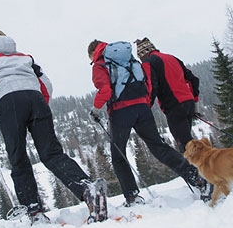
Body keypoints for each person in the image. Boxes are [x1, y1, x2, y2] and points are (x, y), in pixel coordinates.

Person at [0, 29, 107, 224]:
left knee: (19, 158)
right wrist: (42, 105)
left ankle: (34, 211)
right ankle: (87, 189)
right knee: (52, 153)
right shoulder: (24, 57)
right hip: (36, 99)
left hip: (9, 102)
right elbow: (46, 84)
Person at [87, 40, 213, 206]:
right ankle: (198, 179)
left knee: (118, 155)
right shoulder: (129, 58)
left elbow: (105, 90)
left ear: (92, 53)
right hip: (142, 108)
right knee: (159, 147)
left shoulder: (100, 65)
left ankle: (133, 197)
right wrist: (143, 103)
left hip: (121, 112)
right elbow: (146, 81)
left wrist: (95, 110)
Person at [134, 37, 200, 153]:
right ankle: (203, 167)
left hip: (174, 107)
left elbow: (152, 87)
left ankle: (196, 170)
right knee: (190, 144)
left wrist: (145, 107)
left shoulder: (148, 63)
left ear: (143, 55)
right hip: (188, 103)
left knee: (186, 148)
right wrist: (195, 101)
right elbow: (193, 79)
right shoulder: (172, 58)